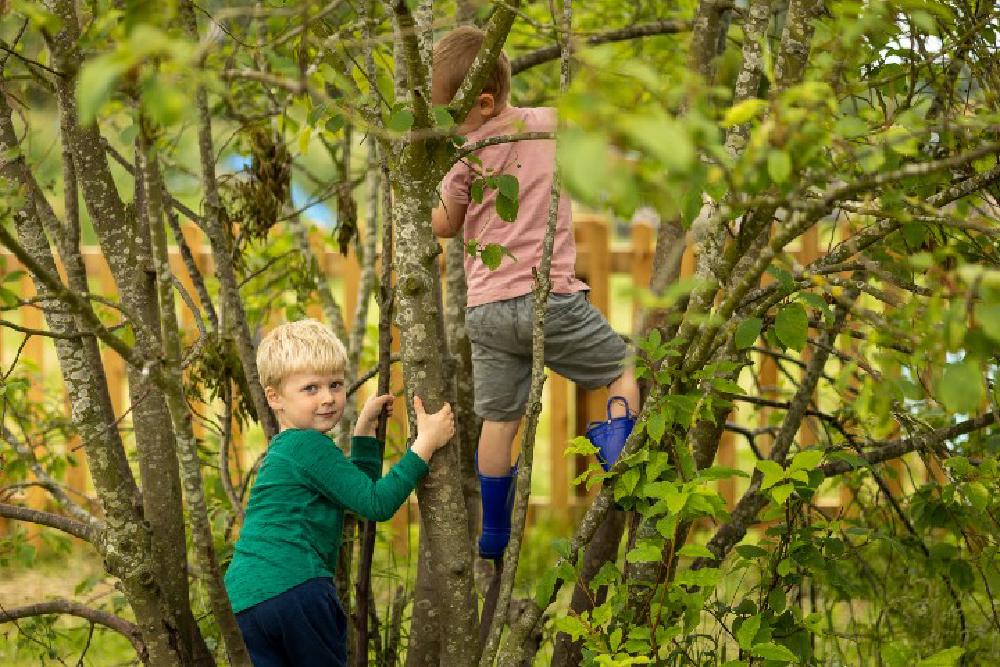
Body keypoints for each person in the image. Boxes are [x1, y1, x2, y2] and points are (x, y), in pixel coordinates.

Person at [430, 26, 640, 562]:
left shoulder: (461, 159)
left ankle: (494, 533)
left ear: (480, 102)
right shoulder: (550, 126)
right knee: (621, 370)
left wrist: (417, 195)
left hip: (487, 311)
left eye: (450, 113)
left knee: (499, 421)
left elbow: (446, 226)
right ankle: (618, 458)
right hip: (552, 301)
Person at [224, 319, 454, 666]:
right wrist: (425, 444)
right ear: (274, 398)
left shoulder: (287, 450)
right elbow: (377, 503)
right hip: (296, 589)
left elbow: (356, 496)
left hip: (244, 601)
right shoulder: (308, 447)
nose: (328, 398)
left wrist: (362, 434)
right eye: (311, 389)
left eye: (335, 384)